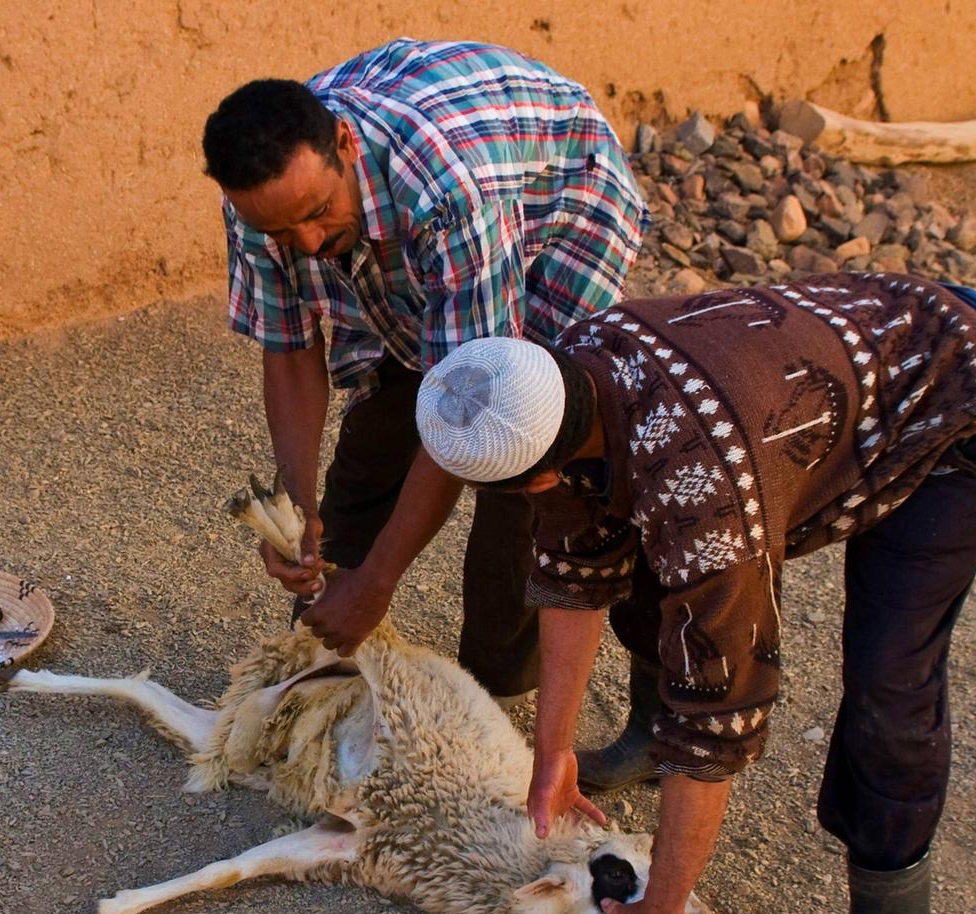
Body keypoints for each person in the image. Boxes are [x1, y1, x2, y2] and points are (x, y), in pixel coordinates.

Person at [413, 273, 976, 914]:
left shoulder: (704, 490)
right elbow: (574, 566)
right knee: (638, 570)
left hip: (946, 398)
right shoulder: (549, 386)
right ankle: (641, 739)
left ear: (532, 472)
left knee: (891, 689)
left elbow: (718, 710)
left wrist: (662, 909)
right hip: (840, 358)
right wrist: (553, 751)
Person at [201, 38, 648, 698]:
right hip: (427, 220)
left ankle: (496, 683)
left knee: (518, 455)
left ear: (347, 147)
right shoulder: (263, 209)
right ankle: (325, 646)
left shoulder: (449, 192)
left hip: (564, 204)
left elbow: (471, 401)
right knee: (382, 426)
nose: (309, 244)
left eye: (319, 212)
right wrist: (294, 508)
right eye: (281, 234)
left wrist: (377, 583)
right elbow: (293, 351)